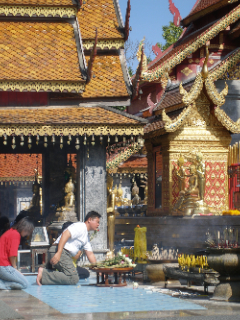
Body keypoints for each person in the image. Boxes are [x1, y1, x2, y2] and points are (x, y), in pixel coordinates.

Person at [37, 210, 101, 286]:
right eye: (97, 222)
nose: (98, 225)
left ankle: (46, 272)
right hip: (60, 251)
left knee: (74, 275)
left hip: (64, 254)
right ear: (90, 220)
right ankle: (44, 274)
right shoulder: (80, 226)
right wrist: (59, 253)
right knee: (73, 278)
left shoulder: (86, 236)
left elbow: (90, 254)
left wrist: (100, 272)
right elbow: (65, 234)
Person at [0, 217, 34, 290]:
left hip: (2, 266)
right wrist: (15, 269)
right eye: (28, 232)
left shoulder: (11, 231)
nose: (27, 234)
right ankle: (2, 285)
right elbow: (12, 255)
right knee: (24, 284)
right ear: (25, 229)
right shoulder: (15, 235)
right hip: (3, 266)